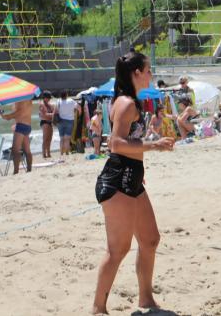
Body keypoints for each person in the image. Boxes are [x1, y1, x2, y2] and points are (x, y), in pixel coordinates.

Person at [92, 50, 174, 315]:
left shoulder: (128, 101)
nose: (151, 74)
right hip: (117, 182)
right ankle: (98, 309)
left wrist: (140, 166)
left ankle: (146, 300)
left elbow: (127, 146)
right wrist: (154, 146)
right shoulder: (126, 103)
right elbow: (114, 144)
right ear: (136, 73)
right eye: (148, 70)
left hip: (132, 179)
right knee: (118, 249)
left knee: (150, 240)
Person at [0, 99, 33, 174]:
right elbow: (23, 111)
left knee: (15, 150)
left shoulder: (20, 100)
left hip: (21, 126)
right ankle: (29, 170)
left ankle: (16, 171)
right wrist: (5, 115)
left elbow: (19, 112)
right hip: (27, 125)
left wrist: (6, 116)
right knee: (27, 150)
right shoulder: (28, 98)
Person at [56, 91, 77, 155]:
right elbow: (78, 107)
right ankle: (67, 152)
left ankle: (61, 153)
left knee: (62, 138)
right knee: (67, 138)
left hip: (60, 121)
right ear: (66, 95)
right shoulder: (71, 101)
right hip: (69, 121)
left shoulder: (58, 101)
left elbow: (56, 111)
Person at [38, 91, 55, 159]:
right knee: (45, 139)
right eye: (48, 98)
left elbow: (52, 113)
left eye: (49, 98)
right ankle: (43, 154)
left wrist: (53, 114)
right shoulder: (41, 105)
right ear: (44, 98)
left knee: (49, 139)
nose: (49, 99)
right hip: (44, 122)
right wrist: (53, 114)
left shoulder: (49, 105)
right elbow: (44, 115)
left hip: (50, 122)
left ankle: (48, 153)